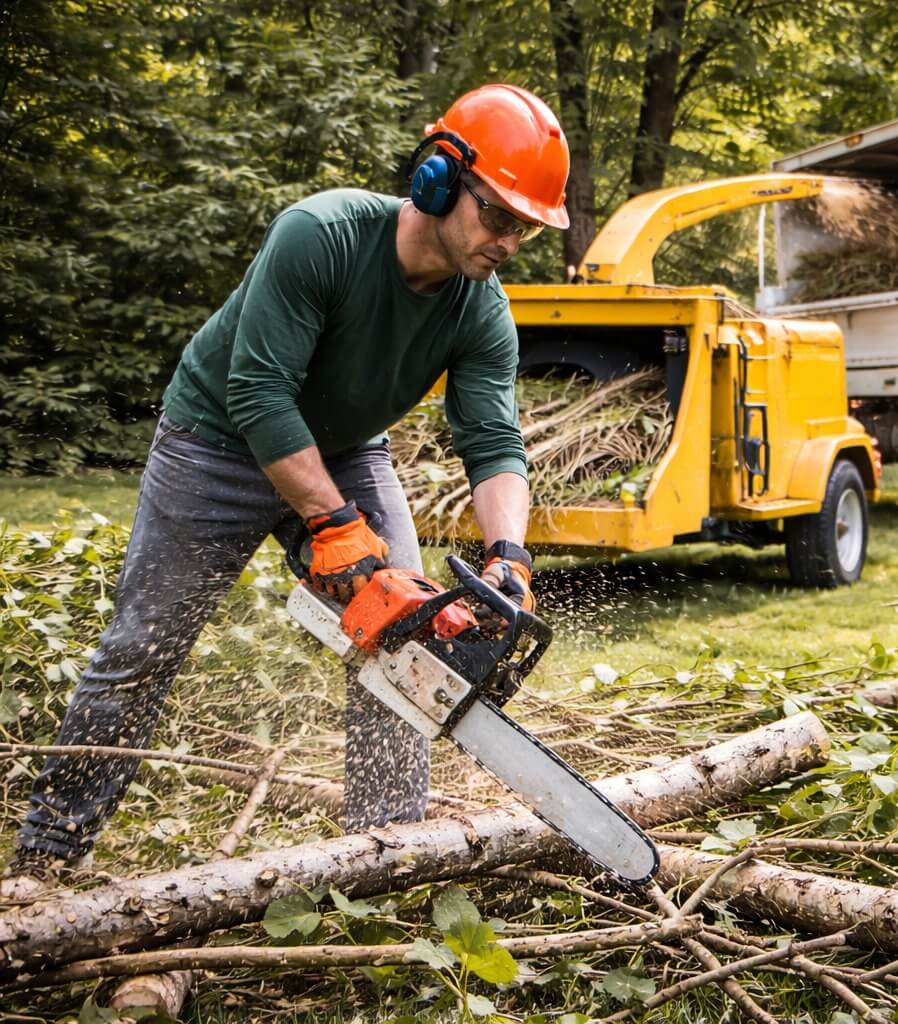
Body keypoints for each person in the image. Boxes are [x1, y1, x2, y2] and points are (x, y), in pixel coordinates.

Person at [1, 83, 568, 900]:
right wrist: (331, 526)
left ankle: (384, 852)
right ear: (439, 180)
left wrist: (506, 554)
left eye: (526, 227)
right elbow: (258, 391)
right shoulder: (322, 235)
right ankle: (48, 854)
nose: (510, 240)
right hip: (215, 443)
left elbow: (493, 440)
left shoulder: (482, 309)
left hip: (345, 451)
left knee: (403, 636)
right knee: (142, 646)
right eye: (498, 215)